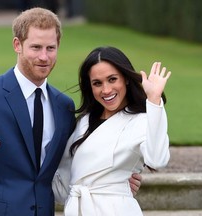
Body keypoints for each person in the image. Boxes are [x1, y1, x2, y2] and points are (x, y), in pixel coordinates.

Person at [0, 8, 141, 216]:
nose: (44, 57)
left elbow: (75, 159)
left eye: (50, 48)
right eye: (36, 47)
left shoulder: (64, 106)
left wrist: (115, 178)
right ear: (17, 45)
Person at [53, 46, 171, 216]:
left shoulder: (141, 121)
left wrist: (153, 100)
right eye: (97, 83)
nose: (106, 90)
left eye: (112, 79)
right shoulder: (83, 123)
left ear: (126, 79)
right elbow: (64, 181)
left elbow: (158, 160)